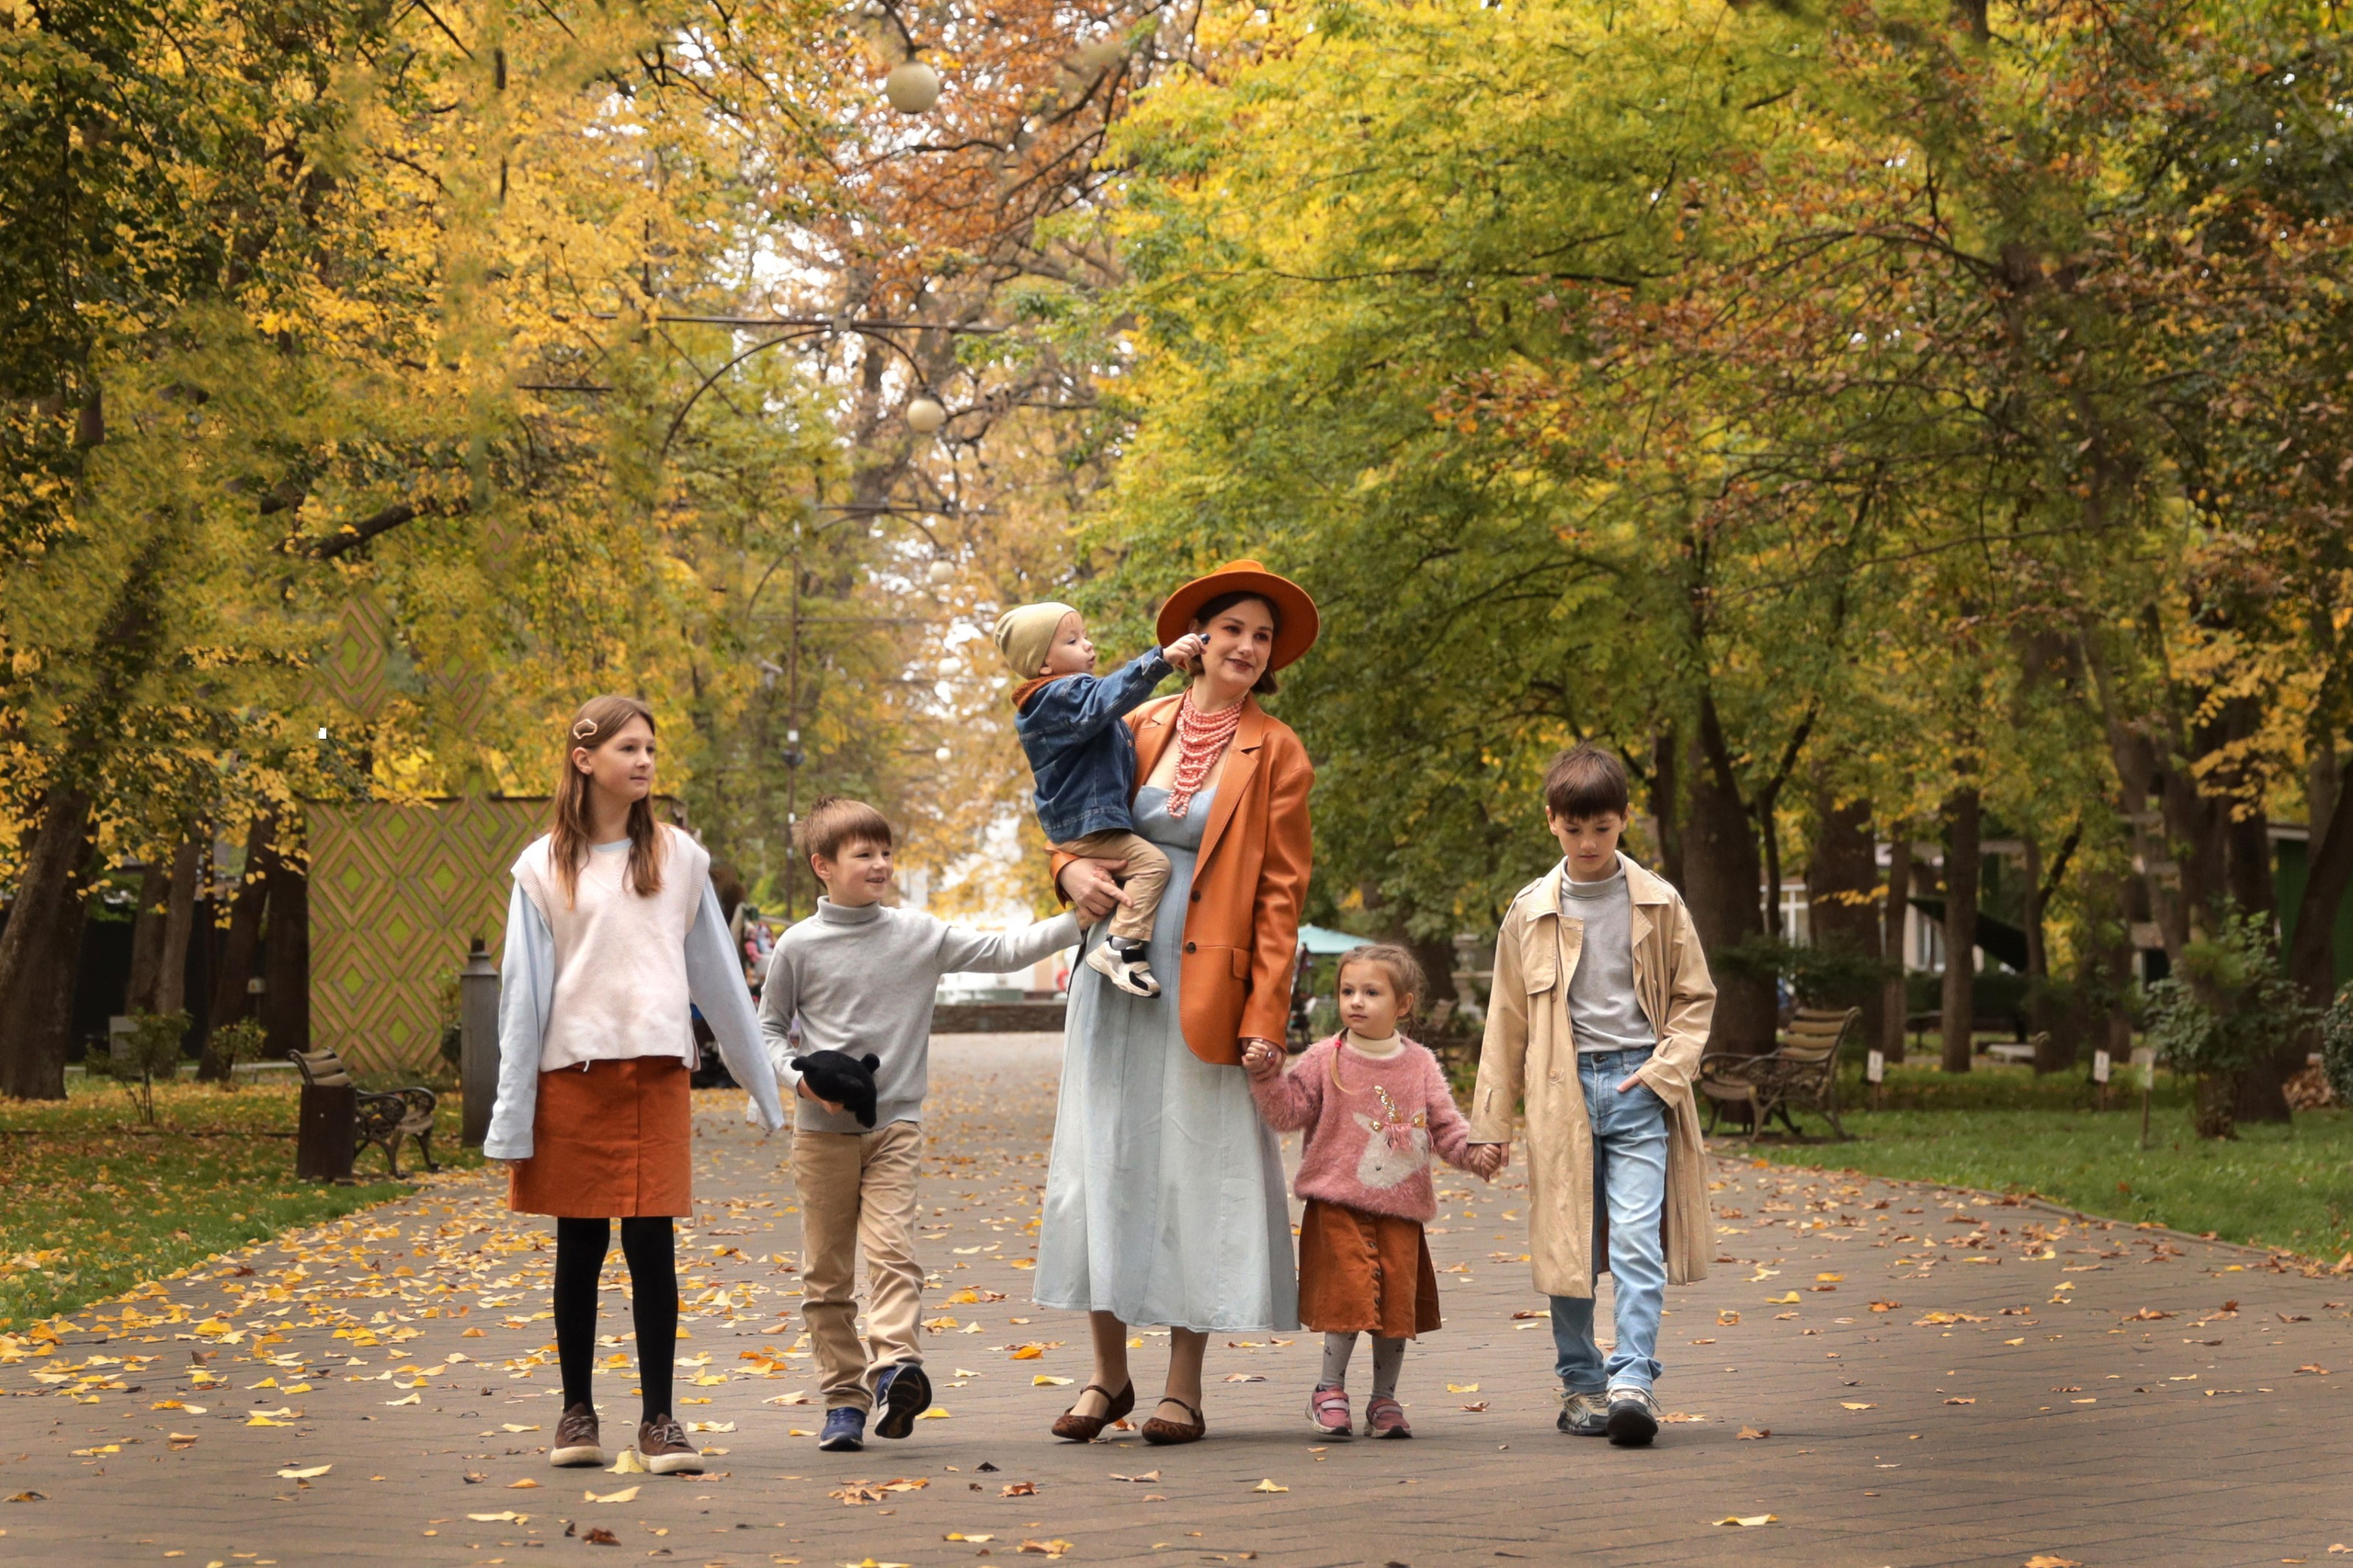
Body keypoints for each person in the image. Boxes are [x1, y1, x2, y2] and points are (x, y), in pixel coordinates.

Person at [1034, 558, 1319, 1447]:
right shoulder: (1138, 717)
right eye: (1233, 628)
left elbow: (1281, 898)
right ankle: (1106, 1377)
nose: (1246, 646)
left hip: (1210, 988)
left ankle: (1183, 1388)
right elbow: (1069, 811)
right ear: (1200, 639)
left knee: (1195, 1172)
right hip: (1113, 969)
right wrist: (1067, 871)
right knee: (1105, 1158)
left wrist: (1264, 1018)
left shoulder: (1277, 750)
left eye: (1262, 636)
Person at [484, 695, 786, 1476]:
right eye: (628, 748)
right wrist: (512, 1116)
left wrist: (761, 1084)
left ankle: (659, 1420)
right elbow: (523, 997)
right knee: (580, 1245)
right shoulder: (542, 866)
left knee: (652, 1246)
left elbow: (719, 979)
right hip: (573, 1076)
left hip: (655, 1074)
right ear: (584, 760)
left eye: (650, 747)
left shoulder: (680, 859)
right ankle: (576, 1414)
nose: (645, 760)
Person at [760, 795, 1079, 1453]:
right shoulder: (798, 945)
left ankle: (895, 1369)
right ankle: (842, 1401)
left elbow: (1005, 950)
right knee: (826, 1276)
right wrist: (801, 1081)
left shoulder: (918, 935)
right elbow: (766, 1030)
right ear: (823, 865)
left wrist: (1079, 919)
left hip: (895, 1128)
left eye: (886, 852)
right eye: (863, 854)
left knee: (893, 1255)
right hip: (821, 1135)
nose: (880, 864)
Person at [1466, 744, 1717, 1448]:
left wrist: (1664, 1072)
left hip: (1640, 1087)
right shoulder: (1529, 912)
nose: (1587, 843)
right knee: (1569, 1245)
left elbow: (1695, 999)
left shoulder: (1659, 902)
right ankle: (1583, 1385)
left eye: (1601, 828)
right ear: (1551, 820)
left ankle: (1633, 1380)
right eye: (1574, 829)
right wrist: (1492, 1124)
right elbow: (1505, 1022)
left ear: (1623, 820)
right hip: (1561, 1093)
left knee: (1637, 1240)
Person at [1243, 944, 1484, 1439]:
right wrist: (1267, 1075)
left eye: (1372, 992)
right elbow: (1288, 1112)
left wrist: (1476, 1153)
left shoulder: (1419, 1064)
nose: (1356, 1001)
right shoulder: (1324, 1057)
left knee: (1395, 1306)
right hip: (1337, 1201)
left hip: (1401, 1207)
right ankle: (1328, 1390)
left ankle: (1384, 1399)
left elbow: (1445, 1127)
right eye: (1348, 991)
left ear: (1403, 1004)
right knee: (1347, 1295)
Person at [994, 601, 1206, 998]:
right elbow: (1104, 698)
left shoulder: (1059, 703)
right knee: (1153, 866)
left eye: (1085, 636)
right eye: (1073, 641)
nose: (1088, 645)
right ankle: (1121, 945)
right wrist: (1158, 661)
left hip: (1084, 824)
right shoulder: (1061, 696)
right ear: (1043, 664)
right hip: (1088, 825)